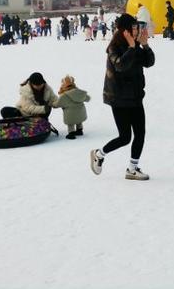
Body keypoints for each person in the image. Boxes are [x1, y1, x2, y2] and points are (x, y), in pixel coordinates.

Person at [90, 14, 155, 180]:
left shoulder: (135, 46)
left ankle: (132, 169)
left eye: (136, 28)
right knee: (125, 137)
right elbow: (120, 65)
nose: (136, 31)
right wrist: (132, 48)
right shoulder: (114, 47)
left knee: (140, 134)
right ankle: (99, 154)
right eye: (133, 28)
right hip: (118, 98)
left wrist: (145, 46)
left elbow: (149, 62)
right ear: (124, 30)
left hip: (135, 96)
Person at [54, 75, 90, 139]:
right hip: (80, 112)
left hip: (70, 114)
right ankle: (79, 130)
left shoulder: (64, 96)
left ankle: (71, 133)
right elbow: (88, 98)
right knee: (79, 121)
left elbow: (57, 104)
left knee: (71, 123)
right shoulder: (79, 92)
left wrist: (52, 104)